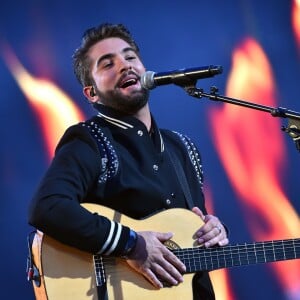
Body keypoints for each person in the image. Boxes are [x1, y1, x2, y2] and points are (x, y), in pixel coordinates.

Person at [28, 23, 229, 299]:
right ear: (92, 93)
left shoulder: (182, 147)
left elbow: (192, 229)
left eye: (130, 56)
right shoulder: (89, 140)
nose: (124, 66)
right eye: (107, 64)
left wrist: (215, 231)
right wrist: (130, 244)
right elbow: (47, 208)